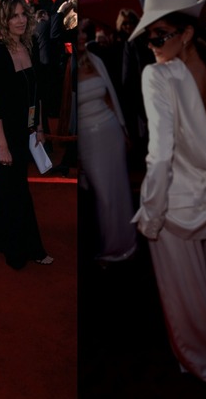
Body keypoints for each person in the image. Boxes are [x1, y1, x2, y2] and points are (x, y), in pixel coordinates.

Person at [128, 0, 206, 386]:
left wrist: (150, 214)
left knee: (182, 290)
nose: (152, 46)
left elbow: (160, 156)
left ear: (186, 33)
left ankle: (204, 360)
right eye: (149, 38)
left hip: (173, 204)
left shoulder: (159, 77)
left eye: (160, 36)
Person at [0, 0, 54, 270]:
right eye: (14, 15)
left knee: (7, 186)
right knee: (18, 190)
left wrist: (37, 126)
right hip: (5, 133)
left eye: (23, 13)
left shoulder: (30, 45)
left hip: (25, 129)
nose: (22, 20)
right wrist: (2, 145)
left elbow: (33, 93)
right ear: (3, 19)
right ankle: (24, 249)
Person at [77, 18, 137, 264]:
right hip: (88, 139)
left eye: (84, 32)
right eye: (79, 32)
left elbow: (111, 98)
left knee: (119, 188)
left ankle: (125, 243)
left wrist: (123, 130)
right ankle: (106, 246)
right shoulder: (71, 65)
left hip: (110, 131)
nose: (82, 37)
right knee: (101, 192)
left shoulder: (96, 60)